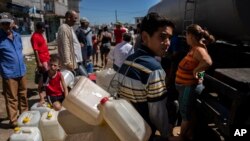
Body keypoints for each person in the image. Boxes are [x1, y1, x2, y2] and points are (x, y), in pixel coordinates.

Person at [113, 12, 175, 140]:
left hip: (123, 124)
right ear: (145, 37)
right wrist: (165, 134)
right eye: (162, 37)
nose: (168, 43)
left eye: (170, 38)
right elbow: (157, 112)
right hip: (142, 131)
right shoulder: (154, 70)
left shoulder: (130, 59)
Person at [175, 24, 214, 141]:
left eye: (186, 34)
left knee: (185, 113)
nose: (185, 37)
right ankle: (190, 133)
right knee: (190, 112)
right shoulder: (194, 48)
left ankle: (181, 137)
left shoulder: (198, 49)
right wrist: (199, 75)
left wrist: (196, 72)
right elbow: (200, 65)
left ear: (191, 36)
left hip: (189, 87)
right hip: (186, 86)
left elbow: (207, 62)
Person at [0, 12, 28, 128]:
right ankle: (14, 121)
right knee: (12, 98)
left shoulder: (17, 36)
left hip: (22, 70)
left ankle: (25, 116)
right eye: (3, 24)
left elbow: (20, 50)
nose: (6, 26)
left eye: (8, 23)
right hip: (9, 73)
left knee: (23, 95)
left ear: (12, 23)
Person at [57, 10, 87, 76]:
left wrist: (78, 44)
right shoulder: (64, 29)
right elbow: (65, 46)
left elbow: (71, 42)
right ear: (68, 18)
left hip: (76, 61)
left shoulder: (69, 28)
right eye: (75, 18)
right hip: (72, 62)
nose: (76, 20)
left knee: (78, 81)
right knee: (84, 77)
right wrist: (68, 63)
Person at [30, 22, 50, 102]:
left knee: (47, 78)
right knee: (42, 80)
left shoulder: (41, 35)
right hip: (42, 60)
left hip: (46, 58)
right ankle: (41, 98)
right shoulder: (35, 36)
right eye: (43, 28)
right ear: (39, 28)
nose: (44, 29)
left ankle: (46, 94)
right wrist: (39, 62)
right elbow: (36, 51)